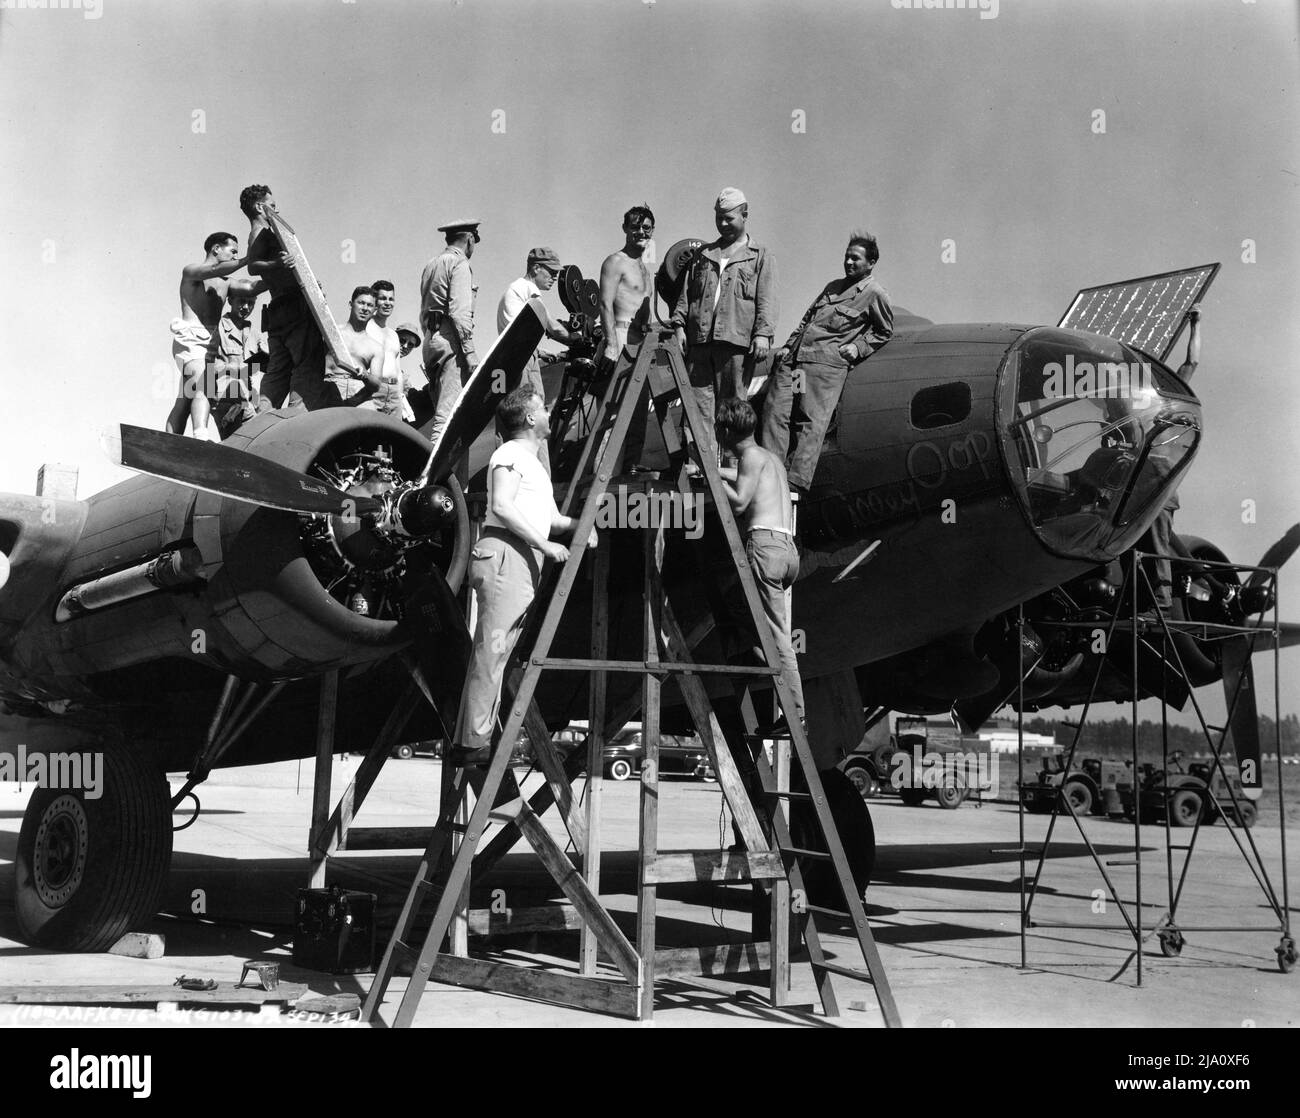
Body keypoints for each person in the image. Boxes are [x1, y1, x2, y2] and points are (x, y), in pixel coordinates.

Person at [450, 386, 595, 767]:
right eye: (542, 409)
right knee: (493, 648)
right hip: (507, 554)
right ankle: (471, 742)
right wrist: (546, 546)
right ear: (530, 418)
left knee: (500, 650)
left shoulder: (532, 465)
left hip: (521, 557)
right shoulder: (510, 454)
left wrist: (583, 525)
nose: (548, 412)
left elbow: (553, 520)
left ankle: (477, 737)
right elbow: (501, 505)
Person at [759, 230, 894, 492]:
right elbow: (806, 321)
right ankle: (770, 476)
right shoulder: (832, 287)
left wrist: (858, 347)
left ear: (871, 263)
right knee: (775, 413)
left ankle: (793, 483)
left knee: (811, 423)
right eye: (847, 257)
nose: (849, 263)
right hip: (795, 361)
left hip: (825, 366)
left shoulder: (875, 293)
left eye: (855, 258)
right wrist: (787, 346)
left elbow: (884, 331)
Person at [715, 398, 805, 730]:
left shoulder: (750, 457)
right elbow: (744, 477)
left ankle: (795, 713)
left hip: (764, 546)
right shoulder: (769, 458)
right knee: (737, 602)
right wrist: (711, 469)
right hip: (785, 548)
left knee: (778, 635)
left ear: (726, 430)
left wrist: (714, 479)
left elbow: (739, 502)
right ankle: (754, 652)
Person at [671, 188, 776, 460]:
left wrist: (763, 334)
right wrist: (679, 325)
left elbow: (766, 297)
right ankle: (700, 467)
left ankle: (732, 467)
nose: (722, 224)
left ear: (745, 215)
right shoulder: (704, 253)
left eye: (729, 218)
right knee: (697, 407)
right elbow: (686, 294)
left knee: (733, 408)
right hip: (699, 341)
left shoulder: (760, 254)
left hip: (735, 342)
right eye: (718, 218)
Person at [241, 184, 331, 411]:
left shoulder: (258, 235)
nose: (276, 212)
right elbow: (252, 266)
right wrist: (277, 263)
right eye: (272, 206)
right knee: (307, 367)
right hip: (294, 309)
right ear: (260, 207)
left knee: (278, 372)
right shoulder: (261, 233)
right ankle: (295, 420)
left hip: (279, 311)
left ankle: (263, 418)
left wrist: (306, 282)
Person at [165, 231, 250, 439]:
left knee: (186, 398)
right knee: (205, 384)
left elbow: (250, 287)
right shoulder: (192, 271)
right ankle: (200, 437)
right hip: (190, 340)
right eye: (233, 251)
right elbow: (212, 268)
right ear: (216, 249)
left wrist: (277, 269)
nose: (235, 256)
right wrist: (248, 259)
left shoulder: (227, 282)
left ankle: (168, 443)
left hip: (208, 345)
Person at [420, 219, 480, 444]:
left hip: (430, 340)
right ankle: (434, 477)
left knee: (440, 412)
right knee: (448, 418)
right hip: (449, 339)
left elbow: (423, 308)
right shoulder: (459, 263)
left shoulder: (431, 264)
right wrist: (470, 353)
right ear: (470, 239)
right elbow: (459, 313)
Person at [498, 246, 574, 396]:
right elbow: (552, 326)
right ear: (536, 268)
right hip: (522, 357)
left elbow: (516, 331)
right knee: (531, 405)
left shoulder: (515, 288)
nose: (554, 278)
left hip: (514, 354)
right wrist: (574, 338)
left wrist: (539, 351)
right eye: (552, 273)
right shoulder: (528, 288)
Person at [208, 277, 266, 439]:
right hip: (225, 399)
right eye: (241, 301)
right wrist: (229, 368)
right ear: (230, 300)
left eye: (251, 303)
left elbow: (272, 360)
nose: (246, 307)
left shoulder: (254, 333)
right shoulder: (217, 327)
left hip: (248, 401)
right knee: (238, 447)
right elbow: (203, 365)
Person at [321, 286, 386, 407]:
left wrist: (365, 375)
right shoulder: (331, 332)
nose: (365, 308)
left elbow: (376, 384)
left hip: (359, 391)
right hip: (330, 386)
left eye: (370, 305)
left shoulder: (376, 347)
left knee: (372, 424)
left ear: (375, 310)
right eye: (361, 303)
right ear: (351, 304)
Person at [361, 279, 405, 417]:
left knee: (395, 436)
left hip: (394, 394)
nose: (387, 303)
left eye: (391, 299)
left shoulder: (393, 335)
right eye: (382, 298)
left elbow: (398, 371)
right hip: (372, 389)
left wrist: (400, 395)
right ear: (374, 301)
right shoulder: (365, 327)